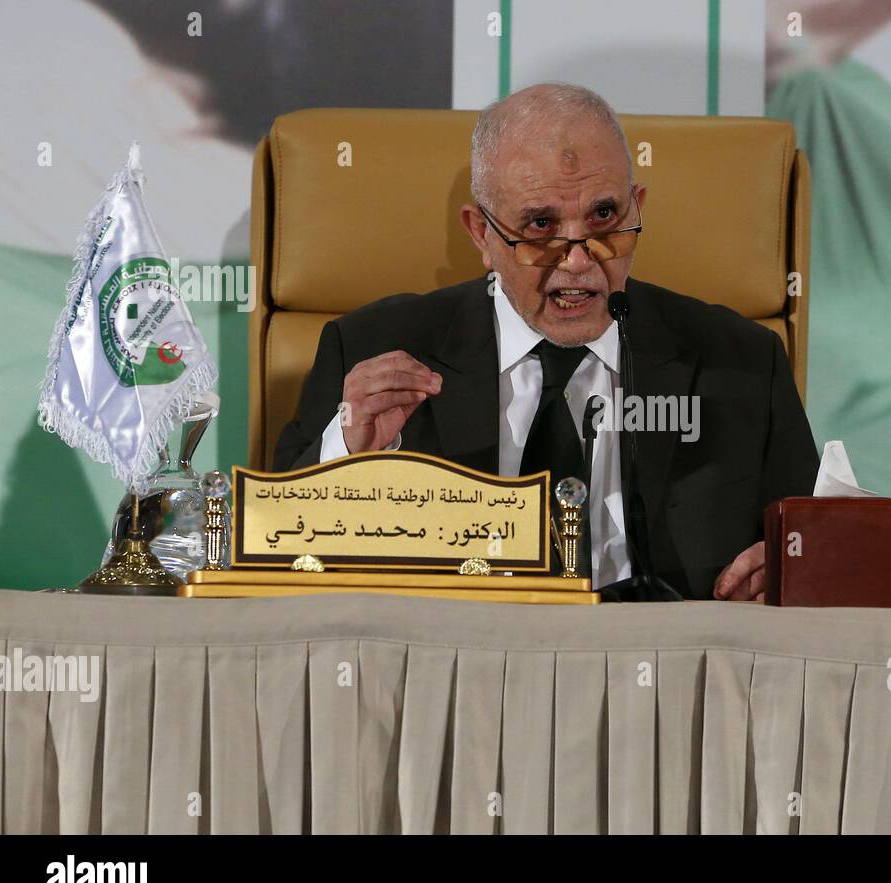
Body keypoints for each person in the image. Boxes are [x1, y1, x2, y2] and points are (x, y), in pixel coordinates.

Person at [274, 83, 818, 601]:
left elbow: (820, 550)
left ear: (638, 208)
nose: (578, 261)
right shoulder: (373, 348)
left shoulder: (742, 364)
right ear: (482, 234)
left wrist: (801, 570)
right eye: (540, 225)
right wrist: (345, 457)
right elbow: (271, 552)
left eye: (604, 217)